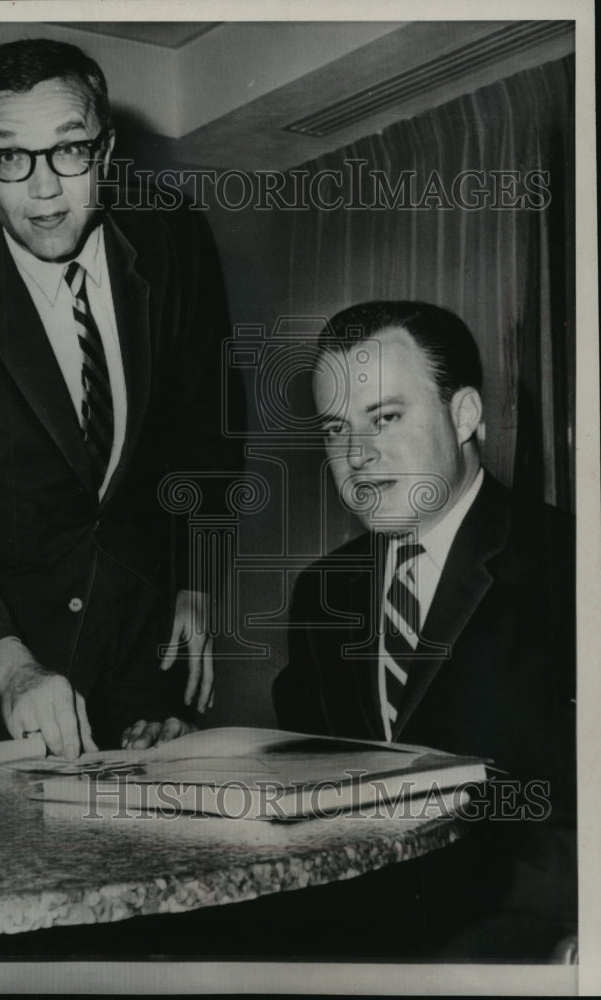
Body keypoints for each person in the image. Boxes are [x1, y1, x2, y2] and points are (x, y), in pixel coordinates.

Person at [0, 39, 244, 758]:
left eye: (70, 150)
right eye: (11, 157)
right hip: (4, 682)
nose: (44, 189)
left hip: (145, 658)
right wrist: (11, 669)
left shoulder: (174, 242)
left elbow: (207, 425)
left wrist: (194, 583)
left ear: (103, 151)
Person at [273, 300, 576, 958]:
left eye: (384, 417)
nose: (355, 455)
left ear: (463, 414)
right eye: (334, 430)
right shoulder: (319, 593)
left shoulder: (573, 566)